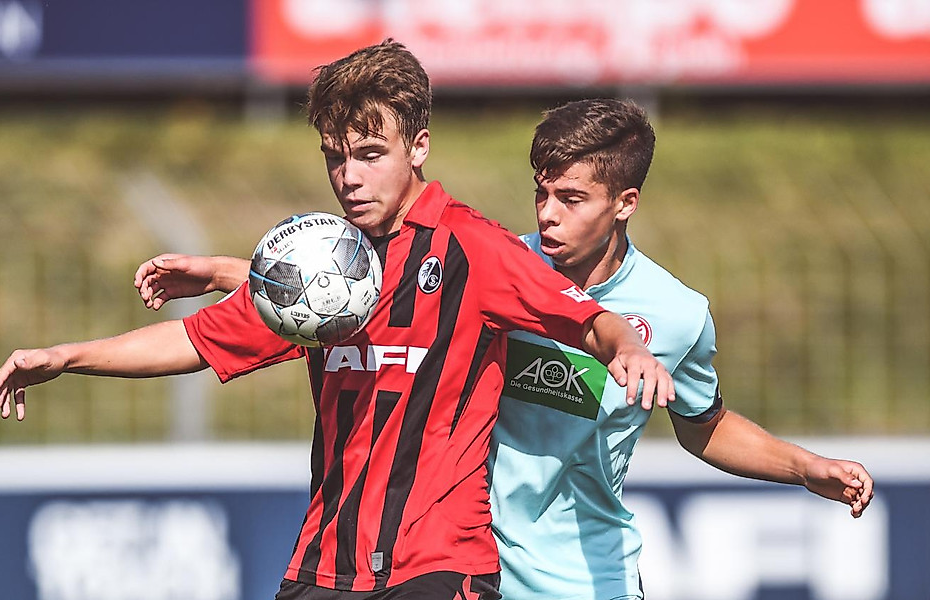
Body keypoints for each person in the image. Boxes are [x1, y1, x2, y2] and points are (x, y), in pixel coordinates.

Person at [0, 42, 674, 600]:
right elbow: (196, 339)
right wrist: (65, 356)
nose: (349, 177)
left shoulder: (473, 249)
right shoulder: (320, 267)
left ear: (418, 147)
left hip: (438, 569)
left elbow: (587, 319)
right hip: (323, 564)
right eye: (334, 157)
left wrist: (628, 349)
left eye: (370, 155)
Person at [136, 98, 875, 600]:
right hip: (462, 567)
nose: (547, 216)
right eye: (540, 194)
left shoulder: (676, 314)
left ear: (625, 204)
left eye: (571, 200)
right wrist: (234, 270)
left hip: (585, 575)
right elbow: (358, 288)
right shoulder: (489, 263)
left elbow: (704, 424)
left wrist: (804, 467)